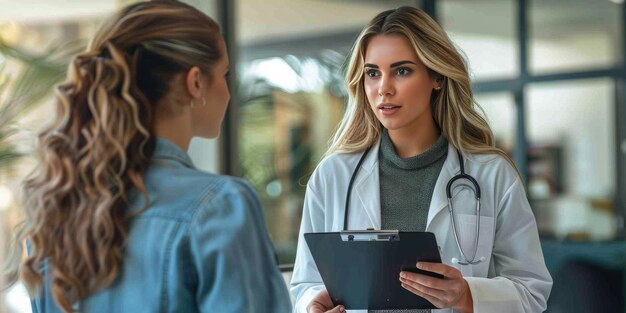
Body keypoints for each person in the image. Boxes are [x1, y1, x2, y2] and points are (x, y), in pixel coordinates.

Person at [15, 1, 291, 312]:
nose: (229, 91)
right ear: (195, 82)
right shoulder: (221, 206)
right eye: (225, 73)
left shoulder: (59, 212)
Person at [290, 6, 552, 313]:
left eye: (402, 71)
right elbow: (305, 284)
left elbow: (532, 291)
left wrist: (467, 295)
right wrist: (311, 306)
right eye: (373, 73)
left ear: (437, 77)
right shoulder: (333, 175)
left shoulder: (491, 174)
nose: (383, 88)